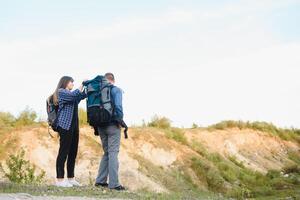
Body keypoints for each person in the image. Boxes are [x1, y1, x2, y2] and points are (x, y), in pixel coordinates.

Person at [52, 76, 86, 187]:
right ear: (65, 82)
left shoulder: (72, 94)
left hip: (74, 126)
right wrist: (81, 85)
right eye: (71, 81)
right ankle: (60, 180)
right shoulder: (61, 92)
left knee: (73, 152)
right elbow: (73, 95)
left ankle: (71, 178)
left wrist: (88, 87)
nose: (72, 83)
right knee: (63, 152)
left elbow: (80, 96)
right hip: (65, 125)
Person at [95, 73, 125, 190]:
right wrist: (120, 120)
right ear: (113, 80)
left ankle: (100, 181)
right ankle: (114, 184)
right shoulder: (116, 90)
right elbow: (118, 106)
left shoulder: (97, 90)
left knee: (106, 152)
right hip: (113, 124)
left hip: (100, 126)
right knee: (113, 153)